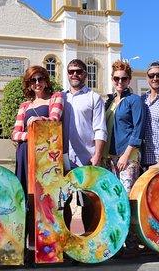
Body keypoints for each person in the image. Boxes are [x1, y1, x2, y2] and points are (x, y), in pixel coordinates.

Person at [105, 60, 145, 257]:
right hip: (110, 157)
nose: (120, 81)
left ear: (129, 79)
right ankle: (118, 241)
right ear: (112, 79)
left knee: (128, 198)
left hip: (127, 157)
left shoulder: (135, 101)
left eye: (124, 78)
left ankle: (131, 243)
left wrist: (126, 154)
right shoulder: (110, 102)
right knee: (115, 199)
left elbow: (138, 129)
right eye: (116, 78)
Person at [62, 59, 107, 231]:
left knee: (86, 201)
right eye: (71, 71)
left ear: (85, 74)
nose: (74, 74)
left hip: (86, 158)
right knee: (67, 201)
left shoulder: (94, 98)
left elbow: (100, 128)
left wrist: (97, 155)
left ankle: (82, 245)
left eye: (78, 71)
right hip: (63, 157)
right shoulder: (60, 98)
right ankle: (70, 242)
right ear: (67, 74)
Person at [11, 66, 64, 196]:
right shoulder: (24, 106)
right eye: (32, 80)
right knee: (25, 192)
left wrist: (38, 119)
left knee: (45, 193)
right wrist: (31, 135)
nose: (37, 83)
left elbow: (54, 121)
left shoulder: (55, 98)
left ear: (46, 81)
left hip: (45, 152)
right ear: (29, 85)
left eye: (40, 79)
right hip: (25, 152)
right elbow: (15, 134)